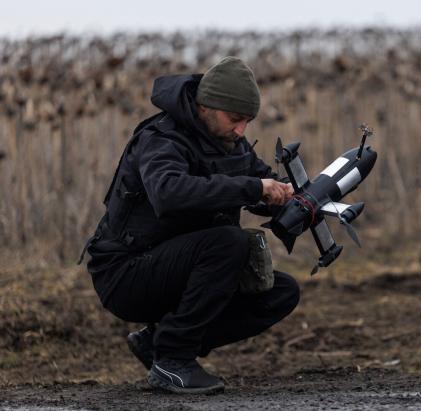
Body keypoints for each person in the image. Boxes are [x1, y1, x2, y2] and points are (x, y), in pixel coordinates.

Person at [80, 56, 300, 394]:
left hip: (174, 268)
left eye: (248, 122)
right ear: (206, 106)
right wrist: (252, 188)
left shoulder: (230, 143)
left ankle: (156, 343)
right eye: (235, 119)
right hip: (125, 272)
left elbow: (264, 186)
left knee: (280, 293)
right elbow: (168, 194)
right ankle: (173, 361)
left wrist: (297, 200)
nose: (241, 130)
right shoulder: (161, 139)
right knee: (230, 242)